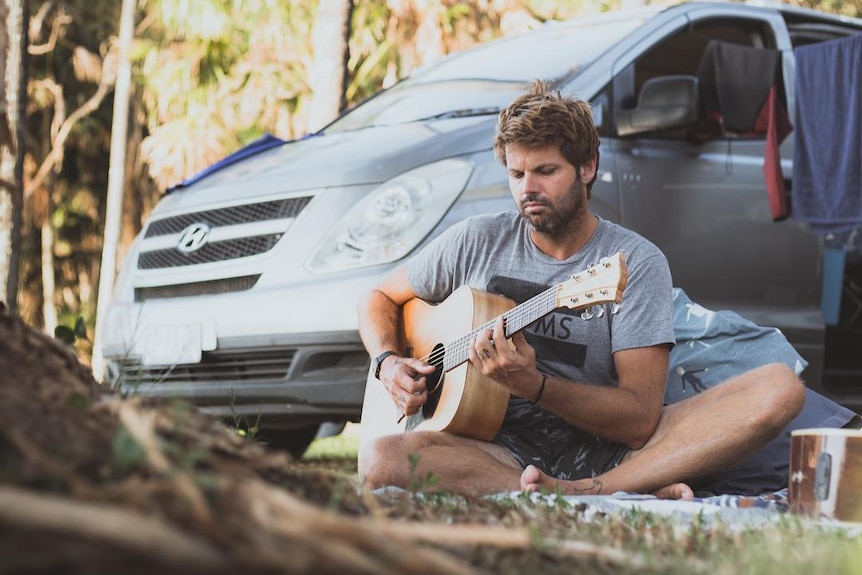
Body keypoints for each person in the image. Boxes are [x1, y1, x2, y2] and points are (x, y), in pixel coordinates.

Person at [356, 79, 805, 499]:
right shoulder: (477, 240)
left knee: (779, 388)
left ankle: (591, 491)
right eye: (516, 174)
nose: (527, 189)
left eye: (545, 171)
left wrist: (535, 386)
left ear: (587, 166)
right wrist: (387, 362)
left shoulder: (633, 263)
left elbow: (638, 420)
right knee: (380, 459)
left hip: (610, 449)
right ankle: (589, 492)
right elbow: (376, 299)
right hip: (494, 445)